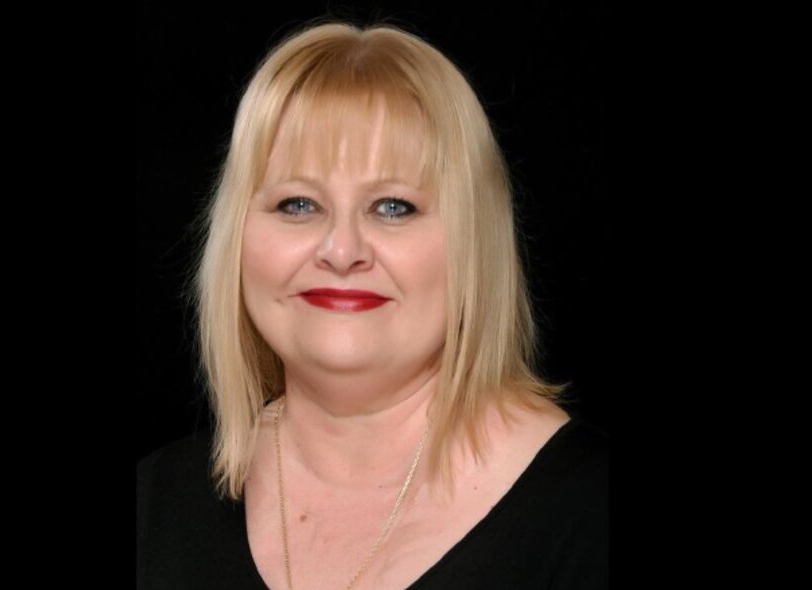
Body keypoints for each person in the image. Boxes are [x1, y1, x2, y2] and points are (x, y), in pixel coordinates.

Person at [137, 20, 608, 590]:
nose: (341, 250)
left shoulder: (589, 513)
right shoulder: (154, 501)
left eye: (392, 207)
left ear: (472, 244)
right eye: (297, 203)